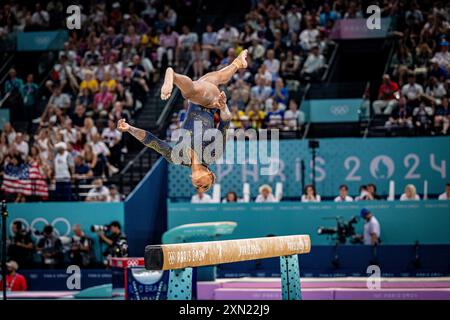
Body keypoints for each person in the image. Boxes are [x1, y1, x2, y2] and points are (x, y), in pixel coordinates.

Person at [117, 94, 230, 193]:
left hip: (194, 99)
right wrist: (223, 107)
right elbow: (224, 126)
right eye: (205, 186)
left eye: (197, 188)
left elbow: (152, 141)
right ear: (210, 174)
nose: (199, 186)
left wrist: (130, 129)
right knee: (221, 75)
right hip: (210, 102)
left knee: (186, 87)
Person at [160, 49, 248, 114]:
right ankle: (174, 76)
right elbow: (227, 118)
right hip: (206, 98)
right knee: (217, 77)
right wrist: (223, 107)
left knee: (217, 77)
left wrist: (222, 107)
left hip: (205, 98)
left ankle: (174, 76)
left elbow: (227, 118)